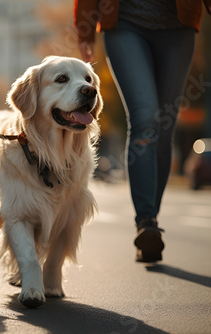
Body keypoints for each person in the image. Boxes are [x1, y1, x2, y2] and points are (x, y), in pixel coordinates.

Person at [74, 0, 211, 262]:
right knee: (145, 117)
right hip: (125, 21)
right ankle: (146, 221)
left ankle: (151, 222)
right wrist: (85, 30)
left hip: (178, 23)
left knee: (165, 125)